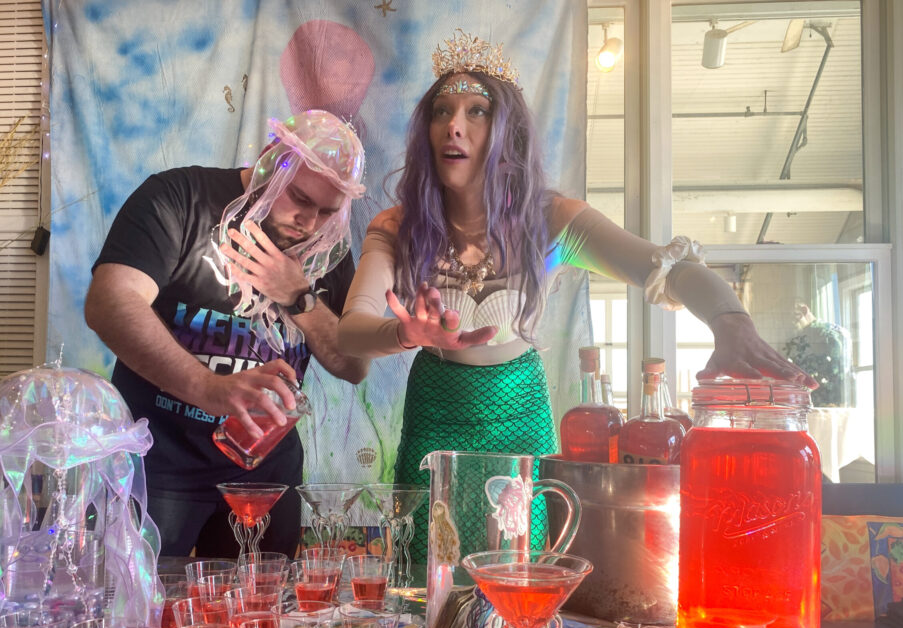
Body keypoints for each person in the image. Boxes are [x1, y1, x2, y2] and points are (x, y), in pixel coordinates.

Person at [337, 31, 817, 560]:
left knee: (518, 573)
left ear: (506, 133)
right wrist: (403, 333)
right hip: (435, 415)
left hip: (518, 412)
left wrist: (730, 322)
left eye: (477, 111)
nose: (455, 124)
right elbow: (351, 328)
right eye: (442, 111)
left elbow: (667, 269)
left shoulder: (552, 221)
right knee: (432, 574)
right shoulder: (398, 226)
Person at [85, 110, 368, 559]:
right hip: (158, 462)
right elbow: (109, 303)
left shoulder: (327, 248)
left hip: (266, 474)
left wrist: (298, 296)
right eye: (297, 197)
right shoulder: (179, 197)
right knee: (139, 615)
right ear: (266, 164)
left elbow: (352, 364)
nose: (309, 222)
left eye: (328, 211)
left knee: (262, 616)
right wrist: (208, 389)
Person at [785, 301, 853, 407]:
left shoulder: (828, 335)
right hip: (818, 403)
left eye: (792, 319)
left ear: (804, 310)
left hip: (830, 404)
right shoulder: (802, 339)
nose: (790, 326)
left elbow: (839, 371)